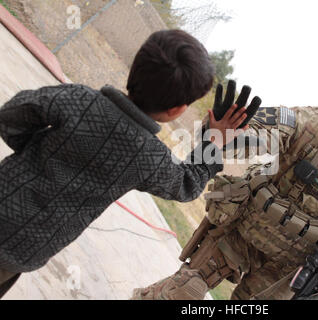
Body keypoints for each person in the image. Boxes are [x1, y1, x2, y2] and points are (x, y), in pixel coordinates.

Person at [131, 48, 318, 300]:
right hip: (242, 233)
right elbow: (264, 133)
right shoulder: (312, 123)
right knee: (178, 296)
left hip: (290, 274)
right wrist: (224, 138)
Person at [0, 29, 255, 298]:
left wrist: (37, 153)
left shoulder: (79, 99)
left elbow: (11, 117)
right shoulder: (149, 157)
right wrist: (213, 141)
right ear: (177, 110)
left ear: (135, 68)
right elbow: (187, 184)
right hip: (24, 247)